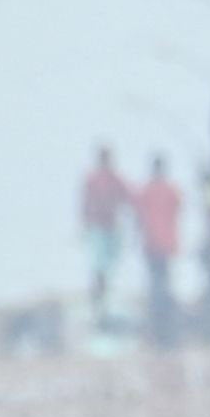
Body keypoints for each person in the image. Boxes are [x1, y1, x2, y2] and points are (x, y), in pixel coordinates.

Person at [79, 145, 132, 331]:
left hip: (111, 228)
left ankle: (103, 298)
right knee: (100, 267)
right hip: (99, 229)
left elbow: (128, 198)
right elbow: (85, 203)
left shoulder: (114, 179)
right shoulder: (93, 179)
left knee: (109, 267)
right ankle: (99, 299)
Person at [133, 154, 183, 347]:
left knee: (157, 290)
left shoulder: (146, 190)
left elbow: (139, 217)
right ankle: (167, 335)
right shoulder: (171, 190)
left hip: (153, 245)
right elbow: (178, 210)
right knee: (164, 288)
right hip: (166, 245)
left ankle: (161, 334)